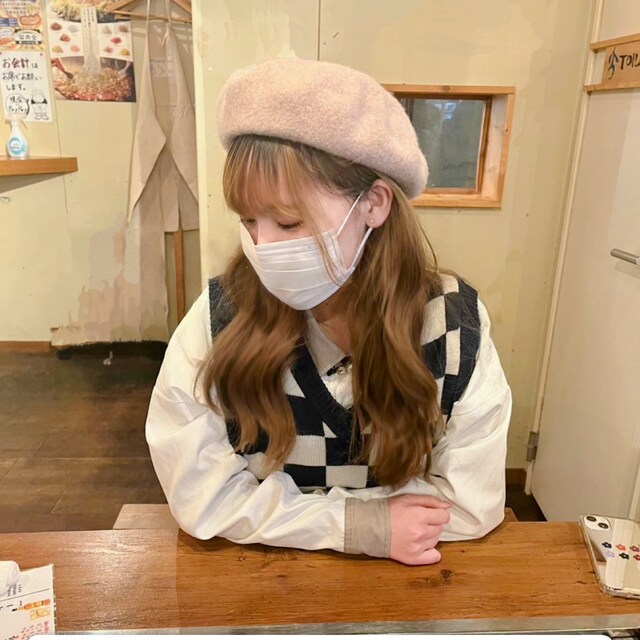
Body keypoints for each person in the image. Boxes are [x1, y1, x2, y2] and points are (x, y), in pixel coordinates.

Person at [146, 58, 511, 566]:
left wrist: (277, 513)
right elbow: (199, 497)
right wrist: (360, 525)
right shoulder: (220, 318)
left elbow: (473, 504)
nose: (262, 247)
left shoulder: (450, 326)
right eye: (248, 221)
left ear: (374, 204)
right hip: (261, 582)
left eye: (288, 223)